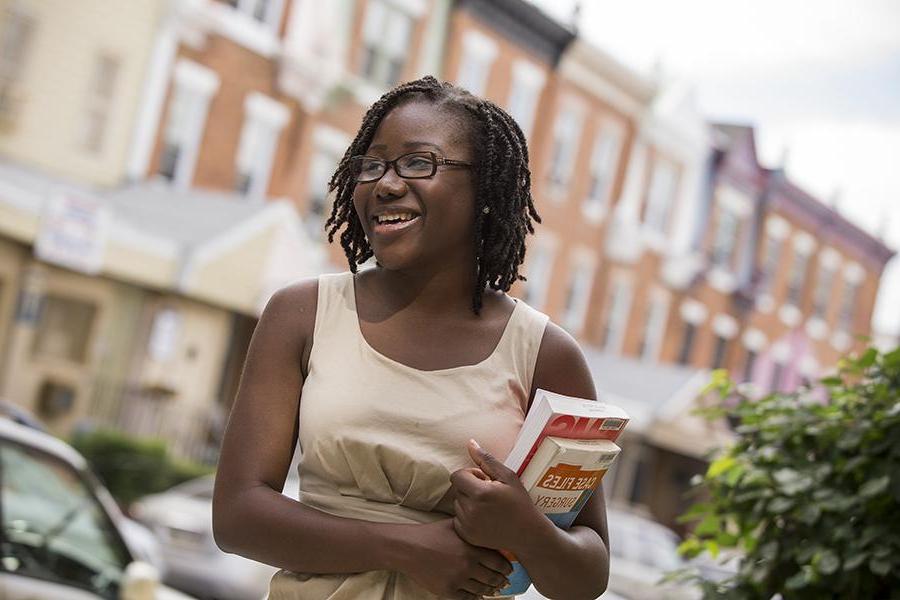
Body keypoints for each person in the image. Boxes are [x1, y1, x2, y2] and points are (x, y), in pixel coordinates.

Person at [212, 76, 610, 600]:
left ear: (486, 189)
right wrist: (406, 547)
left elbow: (588, 577)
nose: (386, 184)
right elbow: (238, 515)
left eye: (419, 163)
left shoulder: (546, 355)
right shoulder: (302, 313)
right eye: (371, 164)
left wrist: (526, 529)